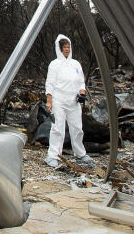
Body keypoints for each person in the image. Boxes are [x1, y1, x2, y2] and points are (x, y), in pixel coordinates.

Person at [44, 34, 94, 168]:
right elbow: (50, 83)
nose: (67, 49)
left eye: (68, 47)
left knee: (77, 127)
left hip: (73, 101)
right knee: (58, 128)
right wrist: (49, 100)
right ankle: (53, 155)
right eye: (64, 47)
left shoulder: (75, 64)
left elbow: (80, 81)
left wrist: (82, 93)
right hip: (59, 100)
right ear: (59, 49)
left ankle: (80, 153)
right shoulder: (54, 64)